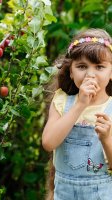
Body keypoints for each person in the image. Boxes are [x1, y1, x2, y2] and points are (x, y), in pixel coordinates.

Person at [42, 28, 112, 200]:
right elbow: (48, 143)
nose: (90, 74)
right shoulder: (62, 101)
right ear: (71, 72)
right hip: (64, 193)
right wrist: (80, 105)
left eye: (99, 67)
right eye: (82, 66)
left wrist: (107, 139)